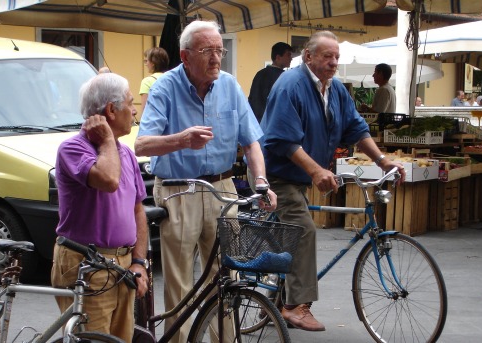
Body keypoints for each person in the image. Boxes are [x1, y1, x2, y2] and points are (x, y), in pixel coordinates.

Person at [135, 20, 277, 343]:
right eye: (207, 51)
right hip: (178, 189)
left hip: (222, 189)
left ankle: (224, 340)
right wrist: (182, 140)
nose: (216, 59)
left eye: (220, 51)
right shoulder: (164, 87)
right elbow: (142, 144)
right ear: (185, 56)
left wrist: (261, 181)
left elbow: (251, 141)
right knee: (180, 283)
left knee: (226, 279)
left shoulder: (229, 86)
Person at [258, 31, 405, 332]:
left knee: (289, 234)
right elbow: (282, 140)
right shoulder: (290, 85)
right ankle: (296, 306)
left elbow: (356, 128)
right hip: (276, 175)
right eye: (327, 56)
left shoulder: (334, 89)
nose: (334, 62)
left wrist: (382, 160)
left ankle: (272, 300)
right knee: (303, 229)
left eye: (336, 56)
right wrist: (315, 171)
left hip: (300, 174)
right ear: (308, 57)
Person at [51, 73, 149, 342]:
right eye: (130, 103)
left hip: (123, 266)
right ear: (110, 110)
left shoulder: (125, 153)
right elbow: (108, 180)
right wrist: (106, 140)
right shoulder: (72, 149)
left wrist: (139, 262)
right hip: (87, 265)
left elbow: (138, 209)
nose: (133, 110)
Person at [248, 42, 293, 122]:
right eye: (288, 55)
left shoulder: (260, 73)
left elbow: (252, 100)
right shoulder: (283, 77)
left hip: (256, 122)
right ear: (278, 57)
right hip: (274, 123)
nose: (291, 58)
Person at [139, 47, 170, 114]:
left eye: (146, 61)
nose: (146, 64)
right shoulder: (172, 79)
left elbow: (145, 109)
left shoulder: (147, 81)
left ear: (153, 63)